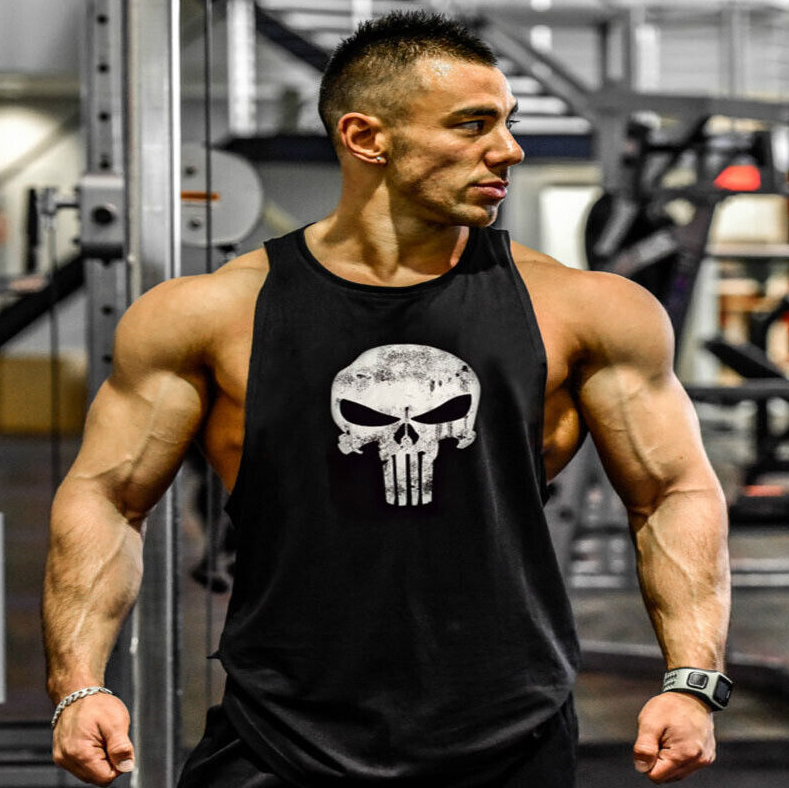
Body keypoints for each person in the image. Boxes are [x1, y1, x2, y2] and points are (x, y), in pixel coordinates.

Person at [43, 10, 731, 788]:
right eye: (472, 124)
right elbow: (107, 497)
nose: (509, 148)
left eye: (506, 121)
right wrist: (79, 683)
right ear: (365, 137)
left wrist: (692, 680)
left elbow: (672, 491)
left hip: (510, 737)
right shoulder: (208, 315)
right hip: (278, 738)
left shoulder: (586, 310)